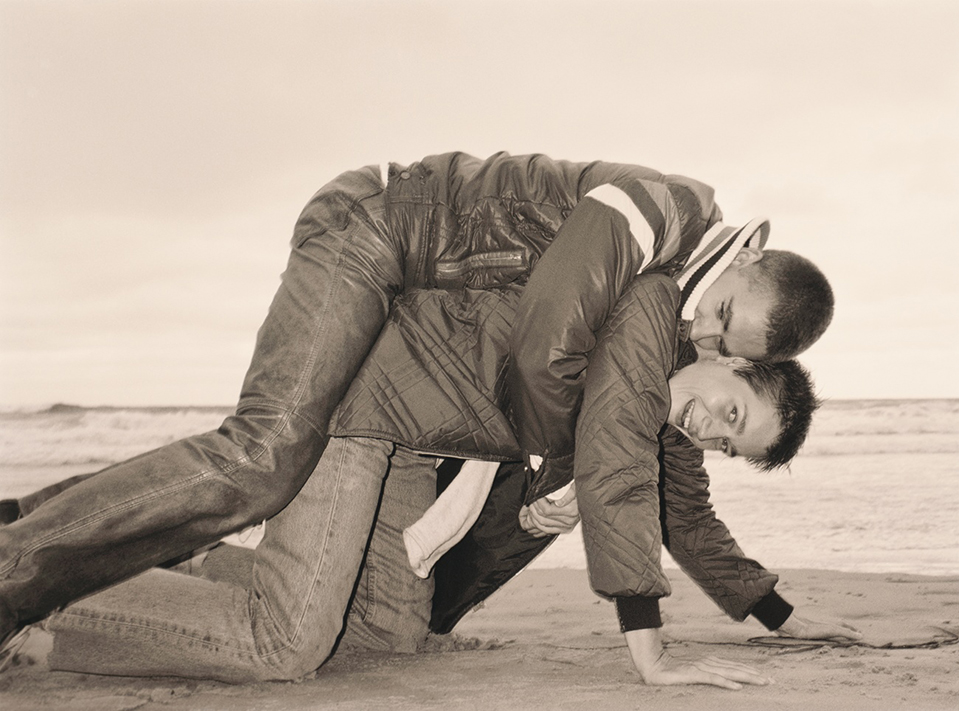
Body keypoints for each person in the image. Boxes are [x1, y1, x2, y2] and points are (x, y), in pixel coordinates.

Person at [0, 151, 833, 650]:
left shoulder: (671, 323)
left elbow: (678, 507)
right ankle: (15, 570)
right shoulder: (663, 212)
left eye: (724, 344)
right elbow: (545, 341)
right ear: (748, 248)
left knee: (275, 489)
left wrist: (776, 615)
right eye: (722, 319)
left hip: (414, 320)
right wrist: (555, 469)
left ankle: (38, 526)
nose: (707, 333)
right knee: (264, 457)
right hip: (378, 231)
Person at [6, 272, 848, 688]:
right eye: (731, 415)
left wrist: (781, 614)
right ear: (730, 359)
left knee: (381, 637)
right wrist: (650, 654)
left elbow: (688, 523)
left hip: (408, 454)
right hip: (370, 399)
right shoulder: (641, 329)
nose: (710, 434)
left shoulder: (662, 429)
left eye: (729, 448)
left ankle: (67, 625)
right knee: (287, 642)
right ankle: (40, 580)